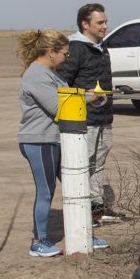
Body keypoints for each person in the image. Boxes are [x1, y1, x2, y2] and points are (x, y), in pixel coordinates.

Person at [18, 30, 108, 257]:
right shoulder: (36, 75)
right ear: (50, 52)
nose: (67, 58)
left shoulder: (51, 72)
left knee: (78, 185)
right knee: (46, 191)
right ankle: (38, 241)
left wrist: (89, 96)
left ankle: (84, 234)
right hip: (40, 141)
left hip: (57, 140)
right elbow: (58, 107)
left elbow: (66, 95)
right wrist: (88, 97)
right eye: (64, 54)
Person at [58, 2, 121, 225]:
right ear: (85, 24)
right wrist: (83, 97)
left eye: (105, 22)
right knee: (83, 164)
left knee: (99, 163)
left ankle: (97, 208)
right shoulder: (75, 48)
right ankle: (80, 209)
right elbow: (62, 81)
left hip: (104, 117)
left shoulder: (101, 46)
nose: (105, 26)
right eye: (100, 22)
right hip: (84, 120)